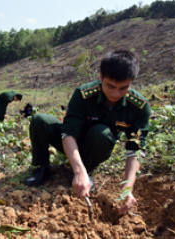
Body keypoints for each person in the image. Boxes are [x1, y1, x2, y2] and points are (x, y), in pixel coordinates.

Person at [24, 50, 151, 215]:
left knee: (101, 132)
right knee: (39, 120)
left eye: (123, 88)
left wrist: (127, 189)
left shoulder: (139, 107)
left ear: (131, 83)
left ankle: (88, 169)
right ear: (100, 78)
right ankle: (43, 168)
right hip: (72, 143)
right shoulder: (84, 95)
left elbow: (135, 149)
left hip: (98, 145)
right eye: (110, 86)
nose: (115, 94)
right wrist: (78, 171)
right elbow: (68, 134)